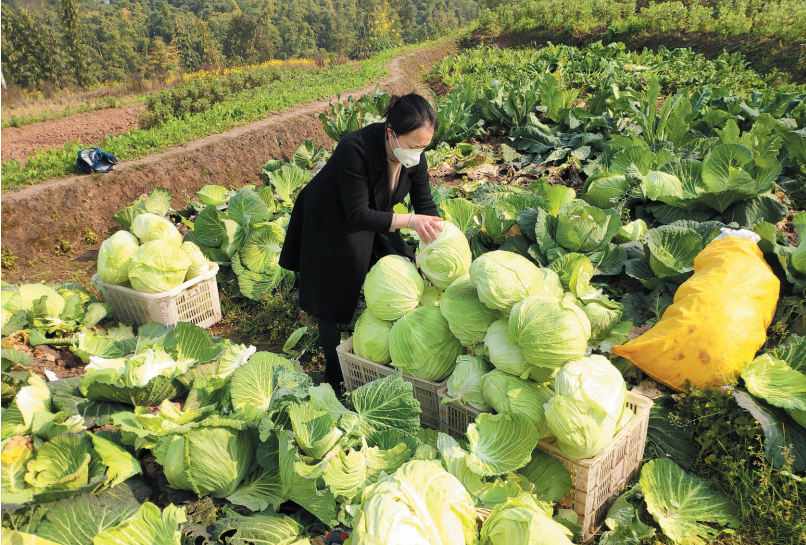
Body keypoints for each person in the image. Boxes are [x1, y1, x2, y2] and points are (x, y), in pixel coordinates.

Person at [279, 93, 444, 392]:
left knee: (403, 260)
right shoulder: (354, 148)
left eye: (424, 147)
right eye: (413, 145)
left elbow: (425, 205)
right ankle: (332, 368)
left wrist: (440, 239)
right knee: (334, 286)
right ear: (391, 132)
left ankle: (395, 333)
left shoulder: (414, 158)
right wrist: (410, 221)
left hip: (374, 212)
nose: (418, 153)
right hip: (331, 216)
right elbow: (357, 214)